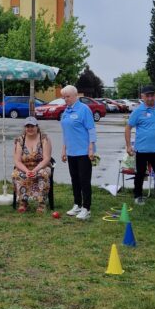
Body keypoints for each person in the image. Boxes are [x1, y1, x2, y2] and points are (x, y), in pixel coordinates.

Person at [60, 85, 97, 220]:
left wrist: (91, 148)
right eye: (64, 97)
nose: (66, 99)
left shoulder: (84, 109)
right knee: (74, 179)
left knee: (84, 180)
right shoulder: (66, 111)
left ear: (76, 96)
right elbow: (66, 132)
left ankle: (86, 208)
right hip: (71, 151)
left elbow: (91, 129)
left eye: (68, 96)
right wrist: (64, 149)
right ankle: (77, 204)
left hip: (84, 151)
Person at [12, 117, 53, 213]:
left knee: (43, 174)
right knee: (16, 174)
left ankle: (41, 203)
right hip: (25, 167)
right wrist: (27, 171)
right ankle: (23, 202)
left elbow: (47, 158)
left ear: (37, 127)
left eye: (32, 126)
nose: (30, 129)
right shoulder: (20, 140)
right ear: (25, 128)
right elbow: (17, 161)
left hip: (41, 166)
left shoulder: (44, 139)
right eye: (27, 126)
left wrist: (35, 170)